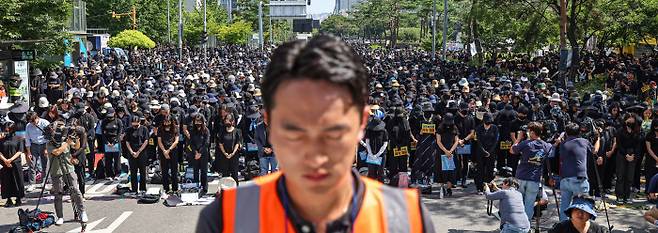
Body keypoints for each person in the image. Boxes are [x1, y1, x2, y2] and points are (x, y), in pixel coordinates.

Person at [197, 35, 434, 233]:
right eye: (295, 130)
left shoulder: (406, 219)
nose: (315, 154)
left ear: (361, 122)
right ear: (269, 123)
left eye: (333, 130)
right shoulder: (226, 219)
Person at [47, 121, 88, 225]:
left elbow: (76, 147)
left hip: (69, 169)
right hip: (56, 170)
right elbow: (57, 152)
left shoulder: (66, 140)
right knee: (58, 194)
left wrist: (77, 138)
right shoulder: (50, 143)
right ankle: (60, 217)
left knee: (76, 190)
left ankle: (82, 212)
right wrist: (67, 143)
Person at [557, 123, 592, 221]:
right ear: (579, 132)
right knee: (582, 206)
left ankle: (563, 227)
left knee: (564, 205)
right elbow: (594, 151)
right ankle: (580, 227)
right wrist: (597, 140)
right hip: (579, 178)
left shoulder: (563, 144)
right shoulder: (584, 141)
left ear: (566, 133)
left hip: (565, 178)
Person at [611, 113, 643, 204]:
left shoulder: (637, 131)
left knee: (629, 176)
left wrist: (633, 155)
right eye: (628, 119)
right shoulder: (620, 131)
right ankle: (619, 196)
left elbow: (638, 145)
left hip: (633, 154)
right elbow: (619, 144)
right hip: (622, 154)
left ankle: (627, 196)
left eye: (632, 119)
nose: (630, 121)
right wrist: (626, 154)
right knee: (620, 175)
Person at [0, 122, 25, 207]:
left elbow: (20, 150)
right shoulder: (2, 139)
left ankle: (18, 198)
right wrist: (5, 160)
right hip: (4, 163)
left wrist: (10, 160)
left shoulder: (19, 138)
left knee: (17, 180)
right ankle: (9, 199)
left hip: (15, 162)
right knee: (6, 181)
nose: (7, 131)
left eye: (8, 129)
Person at [474, 112, 499, 194]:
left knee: (490, 169)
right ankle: (479, 187)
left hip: (491, 152)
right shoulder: (479, 128)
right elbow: (478, 141)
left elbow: (495, 140)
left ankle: (488, 186)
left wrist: (490, 151)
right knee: (480, 170)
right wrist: (484, 151)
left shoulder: (495, 128)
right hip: (480, 152)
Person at [125, 115, 149, 193]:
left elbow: (146, 141)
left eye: (136, 124)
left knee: (142, 171)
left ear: (139, 122)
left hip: (142, 152)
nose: (135, 126)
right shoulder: (129, 130)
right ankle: (134, 189)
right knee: (133, 172)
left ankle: (142, 188)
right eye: (133, 124)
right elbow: (127, 141)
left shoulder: (144, 129)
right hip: (132, 152)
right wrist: (131, 151)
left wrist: (138, 152)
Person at [25, 111, 50, 185]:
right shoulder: (28, 125)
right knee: (32, 165)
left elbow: (49, 137)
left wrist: (46, 148)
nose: (32, 123)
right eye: (30, 122)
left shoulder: (45, 123)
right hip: (33, 145)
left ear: (37, 118)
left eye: (33, 121)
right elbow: (27, 138)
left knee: (44, 164)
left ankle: (44, 181)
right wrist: (29, 152)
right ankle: (32, 183)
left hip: (44, 144)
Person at [217, 113, 242, 183]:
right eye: (226, 121)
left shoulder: (237, 131)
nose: (227, 122)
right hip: (224, 155)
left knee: (234, 174)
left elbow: (237, 143)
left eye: (228, 121)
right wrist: (225, 153)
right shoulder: (222, 131)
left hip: (234, 155)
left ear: (232, 121)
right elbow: (220, 143)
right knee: (225, 174)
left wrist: (233, 153)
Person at [157, 115, 179, 194]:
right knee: (164, 171)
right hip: (163, 151)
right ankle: (166, 188)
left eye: (168, 122)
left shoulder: (175, 128)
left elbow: (176, 141)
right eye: (165, 122)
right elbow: (159, 141)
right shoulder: (160, 128)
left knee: (174, 171)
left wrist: (169, 150)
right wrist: (164, 151)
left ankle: (175, 188)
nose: (166, 123)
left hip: (173, 150)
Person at [189, 114, 210, 194]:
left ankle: (204, 188)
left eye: (199, 121)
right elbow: (190, 143)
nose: (198, 123)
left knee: (204, 172)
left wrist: (200, 153)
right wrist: (195, 152)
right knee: (195, 172)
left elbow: (207, 143)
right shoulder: (192, 130)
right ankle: (196, 187)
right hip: (194, 153)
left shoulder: (206, 130)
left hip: (204, 153)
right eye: (196, 121)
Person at [101, 107, 123, 180]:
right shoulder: (104, 121)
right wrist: (107, 142)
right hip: (107, 141)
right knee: (108, 159)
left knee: (117, 159)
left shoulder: (118, 121)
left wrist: (114, 142)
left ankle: (117, 173)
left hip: (115, 141)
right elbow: (102, 133)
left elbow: (119, 133)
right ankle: (109, 174)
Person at [255, 110, 277, 175]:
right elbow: (256, 139)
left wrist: (271, 149)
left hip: (274, 152)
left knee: (275, 171)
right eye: (265, 118)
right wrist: (263, 149)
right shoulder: (258, 127)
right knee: (263, 172)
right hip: (262, 152)